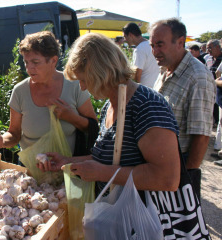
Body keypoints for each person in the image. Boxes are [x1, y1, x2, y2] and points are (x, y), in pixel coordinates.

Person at [38, 32, 210, 239]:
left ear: (100, 71)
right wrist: (68, 162)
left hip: (148, 223)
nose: (82, 87)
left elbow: (167, 178)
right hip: (121, 222)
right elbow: (107, 159)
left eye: (83, 80)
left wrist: (102, 173)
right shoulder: (108, 106)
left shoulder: (146, 106)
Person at [0, 31, 97, 156]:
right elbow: (14, 134)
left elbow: (93, 128)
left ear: (53, 60)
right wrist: (1, 141)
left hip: (68, 171)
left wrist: (71, 117)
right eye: (26, 62)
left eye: (35, 62)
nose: (29, 68)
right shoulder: (20, 91)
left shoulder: (74, 85)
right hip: (31, 173)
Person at [151, 18, 216, 198]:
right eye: (152, 45)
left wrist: (184, 181)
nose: (154, 51)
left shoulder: (198, 77)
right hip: (158, 168)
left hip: (177, 173)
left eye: (160, 45)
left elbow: (201, 138)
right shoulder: (166, 69)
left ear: (180, 42)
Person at [122, 23, 160, 88]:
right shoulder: (150, 45)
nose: (125, 40)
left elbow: (137, 74)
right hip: (155, 87)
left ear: (130, 35)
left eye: (125, 37)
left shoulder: (139, 49)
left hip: (144, 90)